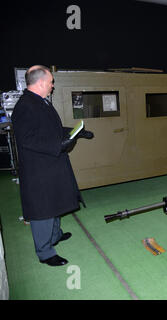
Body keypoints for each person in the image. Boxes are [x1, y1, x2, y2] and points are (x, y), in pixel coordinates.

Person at [12, 65, 94, 266]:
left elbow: (51, 129)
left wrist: (75, 132)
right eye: (51, 82)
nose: (53, 85)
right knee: (43, 210)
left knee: (54, 202)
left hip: (51, 165)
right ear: (40, 83)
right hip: (39, 169)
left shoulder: (39, 102)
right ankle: (45, 252)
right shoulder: (25, 106)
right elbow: (27, 139)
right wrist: (58, 145)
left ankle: (55, 235)